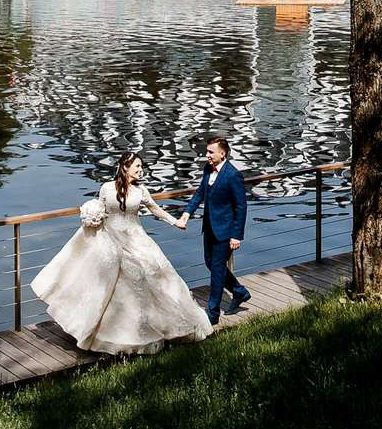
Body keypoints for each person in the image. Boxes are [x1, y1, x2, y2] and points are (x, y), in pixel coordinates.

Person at [30, 152, 212, 355]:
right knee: (111, 283)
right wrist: (92, 218)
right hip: (111, 240)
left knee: (152, 276)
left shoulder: (141, 190)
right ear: (124, 167)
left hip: (137, 239)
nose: (140, 170)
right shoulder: (106, 188)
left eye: (141, 166)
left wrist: (175, 221)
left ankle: (148, 328)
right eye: (137, 166)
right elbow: (100, 209)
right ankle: (102, 331)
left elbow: (155, 209)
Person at [181, 134, 250, 325]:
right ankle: (239, 291)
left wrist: (237, 235)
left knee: (217, 270)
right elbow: (200, 193)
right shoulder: (207, 169)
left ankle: (212, 314)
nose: (207, 155)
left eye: (211, 152)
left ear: (223, 153)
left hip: (226, 231)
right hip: (209, 227)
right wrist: (187, 212)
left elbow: (241, 207)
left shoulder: (233, 175)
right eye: (207, 151)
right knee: (211, 263)